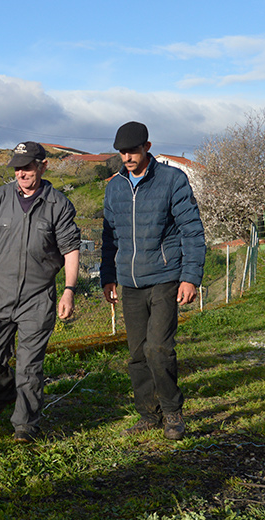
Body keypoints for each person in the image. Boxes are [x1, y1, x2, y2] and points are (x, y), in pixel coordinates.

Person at [0, 141, 81, 443]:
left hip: (37, 299)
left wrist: (68, 290)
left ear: (42, 166)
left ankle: (25, 424)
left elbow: (71, 250)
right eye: (17, 167)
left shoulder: (58, 205)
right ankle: (3, 393)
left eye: (27, 166)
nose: (21, 172)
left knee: (29, 365)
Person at [100, 122, 206, 441]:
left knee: (158, 348)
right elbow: (109, 237)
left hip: (165, 277)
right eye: (122, 151)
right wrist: (108, 277)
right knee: (136, 354)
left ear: (147, 146)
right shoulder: (114, 187)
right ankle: (149, 414)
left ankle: (172, 413)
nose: (127, 157)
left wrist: (190, 277)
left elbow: (192, 230)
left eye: (133, 150)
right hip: (129, 283)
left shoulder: (172, 180)